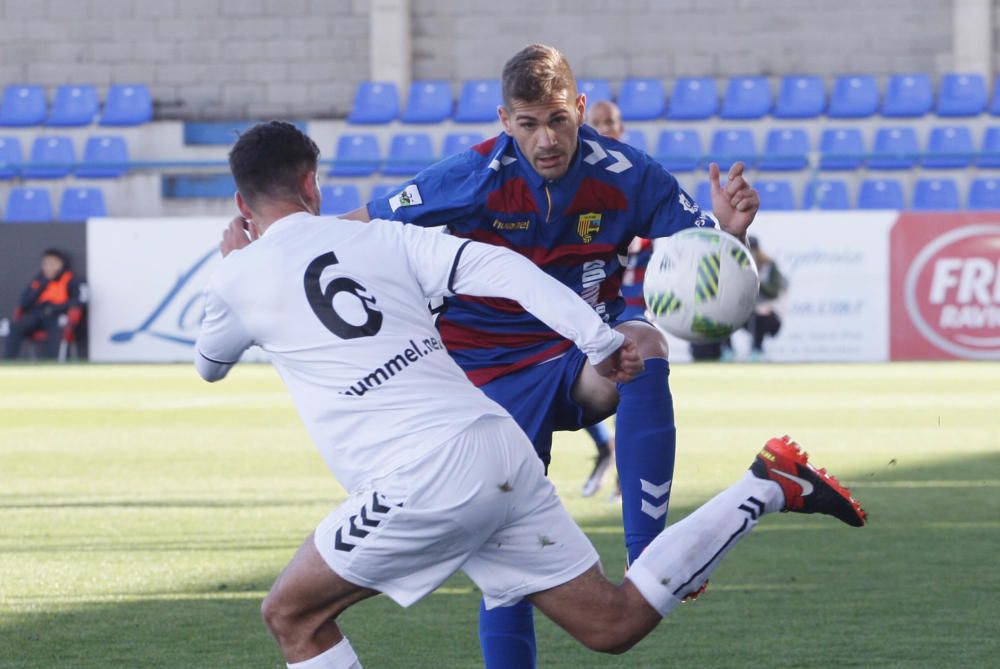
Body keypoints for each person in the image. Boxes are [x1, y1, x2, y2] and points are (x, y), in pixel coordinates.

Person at [200, 120, 866, 669]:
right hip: (497, 444)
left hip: (423, 475)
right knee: (612, 621)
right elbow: (499, 265)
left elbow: (209, 361)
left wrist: (227, 263)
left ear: (241, 206)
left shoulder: (240, 274)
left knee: (290, 612)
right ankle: (768, 484)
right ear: (312, 184)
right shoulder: (381, 237)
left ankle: (729, 500)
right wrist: (598, 339)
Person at [346, 44, 761, 667]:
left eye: (559, 119)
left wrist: (728, 231)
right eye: (529, 123)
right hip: (484, 378)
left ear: (581, 110)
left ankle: (649, 554)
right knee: (509, 560)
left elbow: (701, 252)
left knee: (643, 344)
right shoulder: (471, 175)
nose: (546, 139)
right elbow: (360, 226)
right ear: (504, 121)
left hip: (580, 356)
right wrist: (273, 245)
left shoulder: (626, 173)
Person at [3, 249, 83, 360]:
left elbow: (78, 301)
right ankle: (7, 362)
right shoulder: (40, 280)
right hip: (37, 315)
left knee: (57, 329)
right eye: (46, 264)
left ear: (61, 264)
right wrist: (43, 284)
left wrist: (55, 307)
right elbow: (24, 302)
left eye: (52, 264)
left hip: (57, 314)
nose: (48, 267)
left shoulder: (71, 279)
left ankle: (53, 364)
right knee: (16, 326)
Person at [721, 236, 788, 361]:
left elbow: (774, 291)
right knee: (723, 315)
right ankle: (728, 350)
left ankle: (757, 350)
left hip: (768, 311)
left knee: (760, 316)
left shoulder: (769, 265)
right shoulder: (735, 264)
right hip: (745, 310)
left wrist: (757, 281)